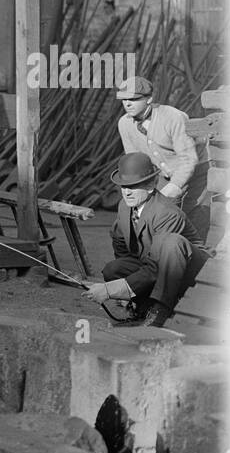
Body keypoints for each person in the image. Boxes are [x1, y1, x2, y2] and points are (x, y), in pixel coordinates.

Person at [81, 153, 208, 328]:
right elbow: (120, 245)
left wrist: (111, 290)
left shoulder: (166, 213)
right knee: (114, 269)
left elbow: (158, 267)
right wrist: (126, 291)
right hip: (156, 265)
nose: (126, 192)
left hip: (190, 272)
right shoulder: (125, 206)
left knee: (171, 242)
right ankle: (143, 308)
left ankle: (161, 310)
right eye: (123, 186)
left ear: (150, 186)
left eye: (132, 187)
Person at [116, 76, 211, 246]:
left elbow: (188, 160)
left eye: (134, 99)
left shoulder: (173, 118)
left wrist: (172, 189)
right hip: (163, 173)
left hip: (196, 170)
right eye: (124, 99)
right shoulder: (124, 123)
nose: (128, 104)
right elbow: (137, 162)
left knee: (193, 216)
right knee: (156, 214)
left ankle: (195, 258)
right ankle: (156, 260)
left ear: (149, 99)